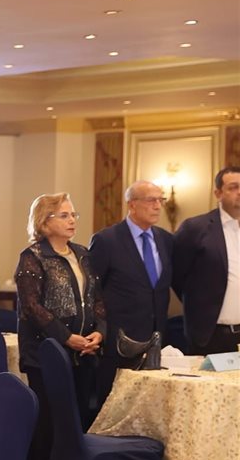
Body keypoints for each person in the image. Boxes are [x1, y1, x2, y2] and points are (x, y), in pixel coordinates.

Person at [14, 192, 105, 460]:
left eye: (73, 214)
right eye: (64, 215)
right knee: (49, 422)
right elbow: (32, 306)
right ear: (44, 221)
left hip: (84, 351)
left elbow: (96, 298)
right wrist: (65, 337)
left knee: (76, 418)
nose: (72, 221)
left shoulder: (82, 254)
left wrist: (99, 332)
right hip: (46, 353)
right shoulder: (33, 257)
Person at [89, 180, 174, 403]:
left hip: (156, 341)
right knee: (114, 407)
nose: (158, 206)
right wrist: (100, 330)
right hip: (118, 343)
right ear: (132, 204)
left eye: (161, 200)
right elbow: (92, 291)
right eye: (151, 200)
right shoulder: (107, 240)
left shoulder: (166, 240)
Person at [173, 166, 240, 355]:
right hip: (210, 335)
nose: (239, 192)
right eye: (233, 187)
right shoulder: (196, 228)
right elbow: (177, 275)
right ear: (218, 193)